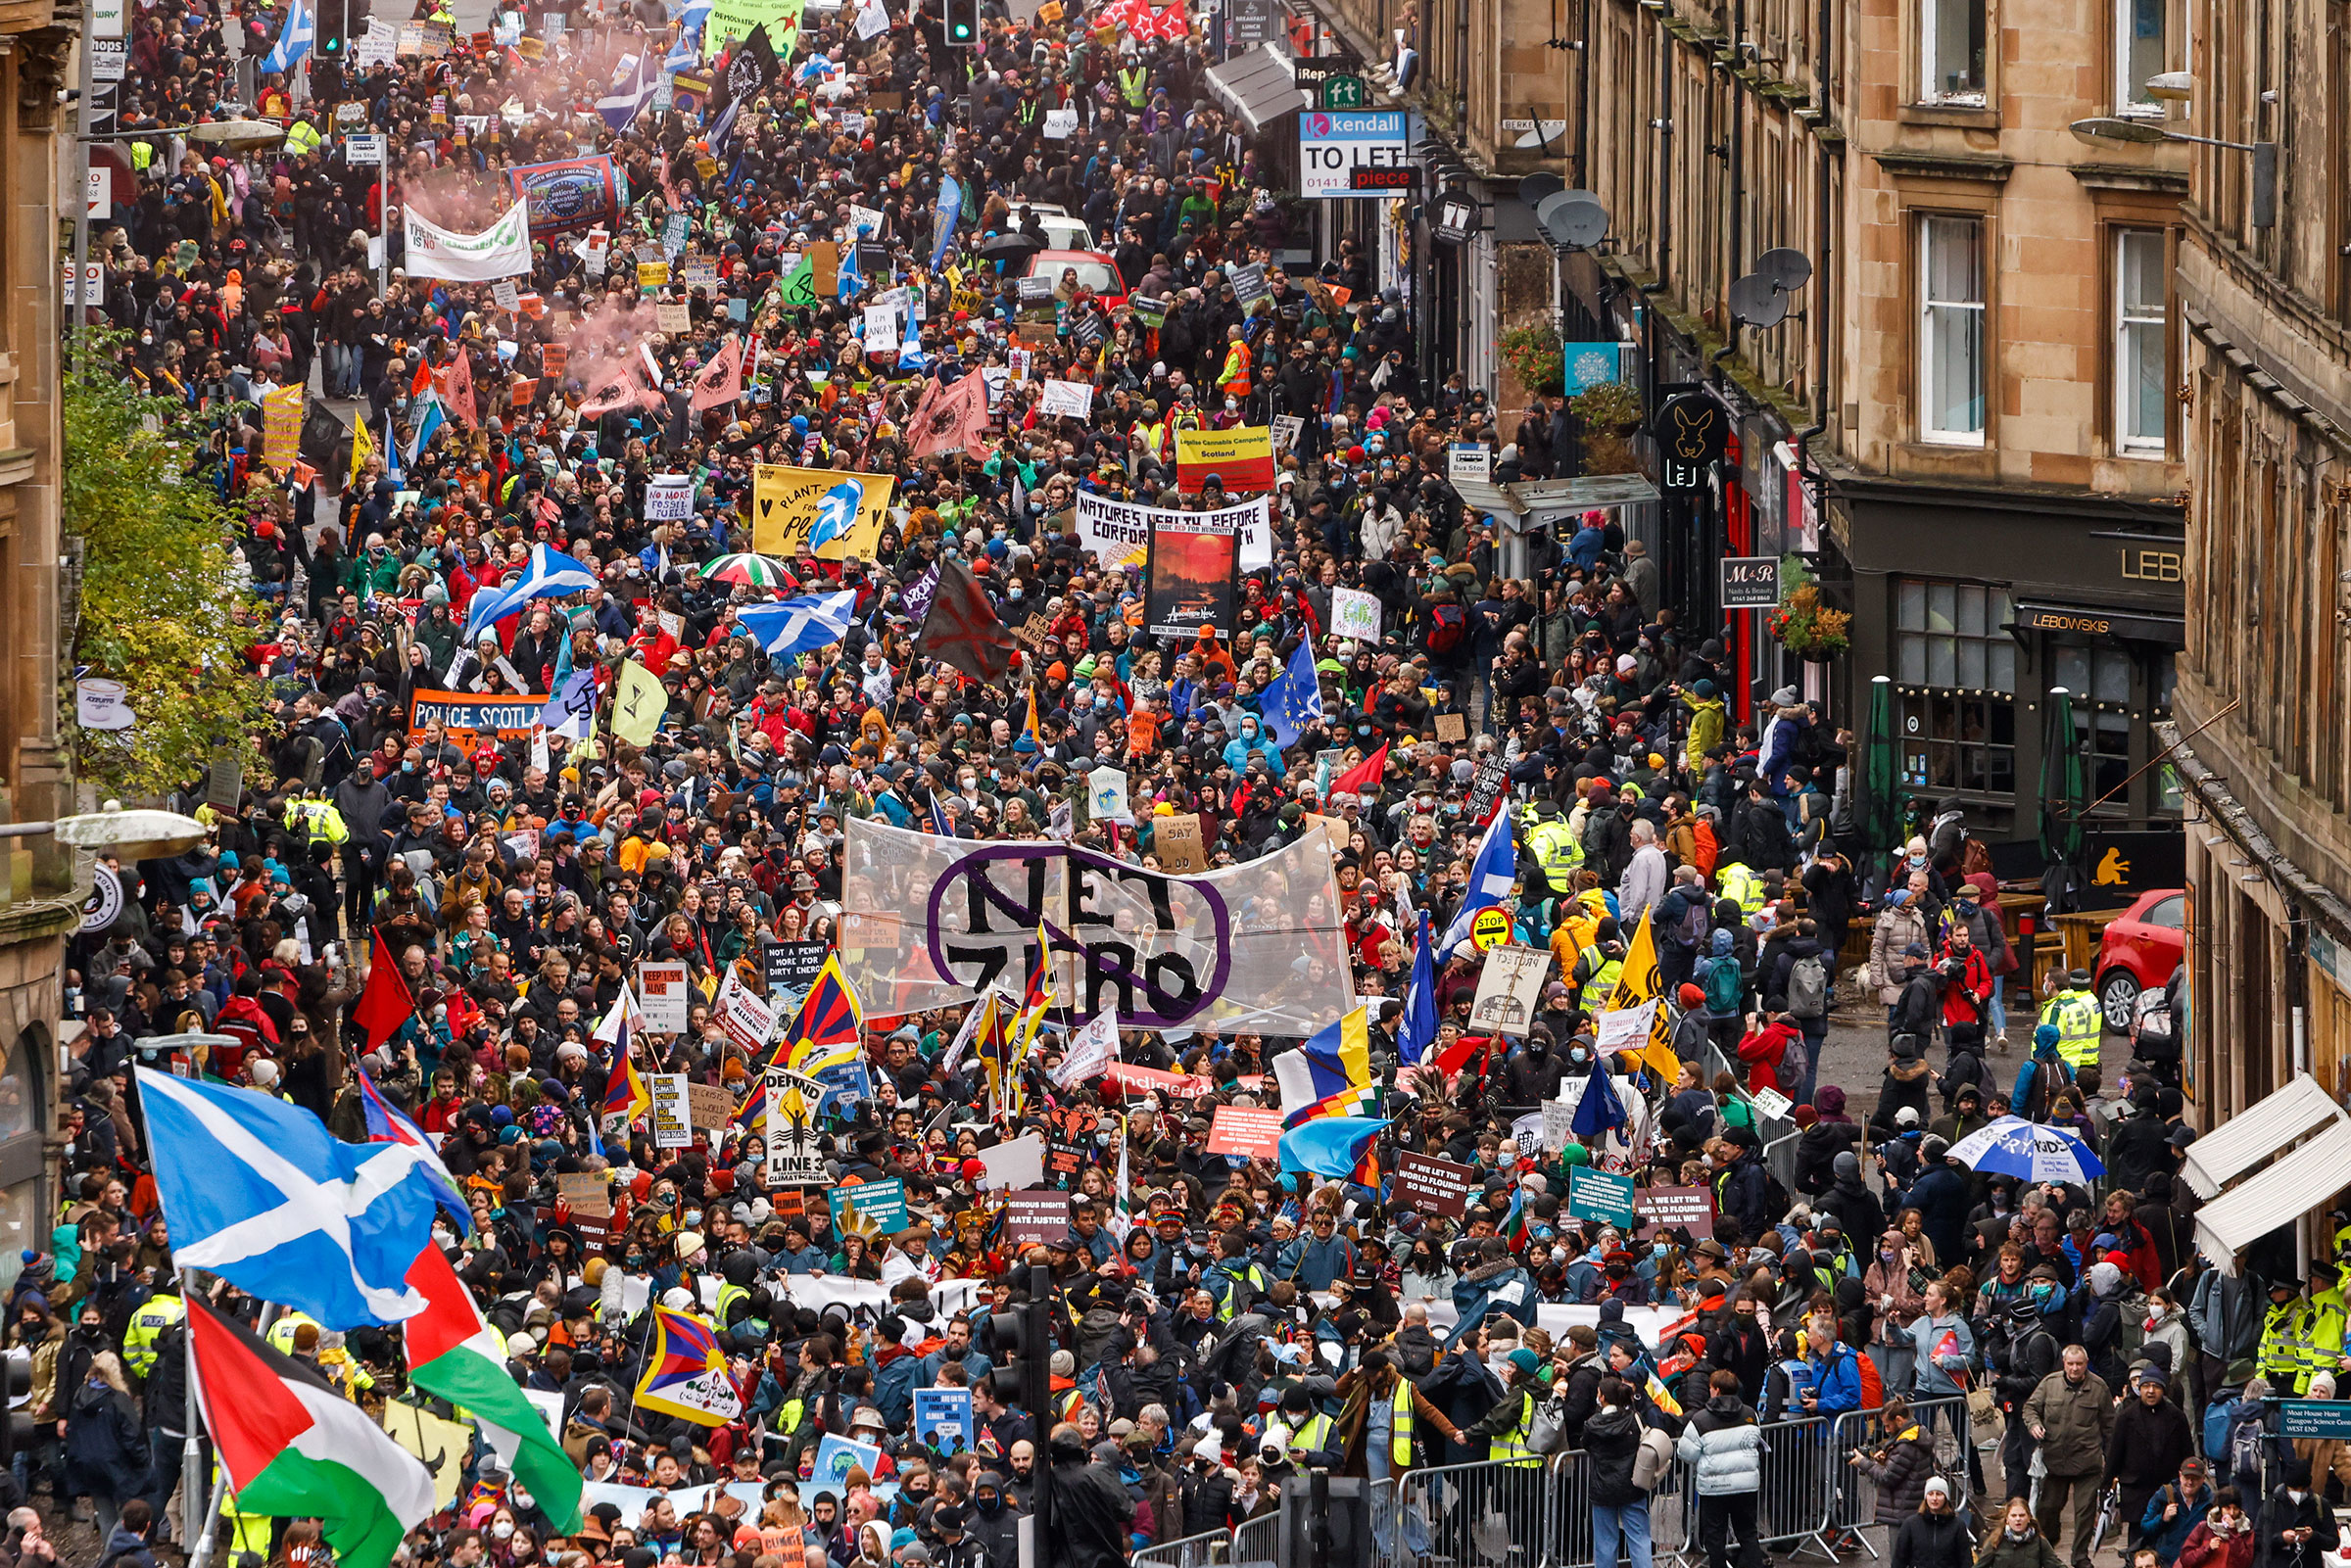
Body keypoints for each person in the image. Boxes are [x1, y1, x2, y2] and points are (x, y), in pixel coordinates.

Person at [2025, 1344, 2115, 1568]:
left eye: (2079, 1364)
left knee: (2084, 1512)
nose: (2075, 1369)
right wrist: (2034, 1425)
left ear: (2086, 1364)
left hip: (2087, 1462)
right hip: (2055, 1461)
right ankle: (2047, 1550)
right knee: (2048, 1509)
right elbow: (2030, 1408)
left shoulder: (2098, 1387)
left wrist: (2112, 1461)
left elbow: (2110, 1427)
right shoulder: (2050, 1384)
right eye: (2071, 1364)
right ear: (2064, 1364)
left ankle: (2080, 1556)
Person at [1676, 1369, 1766, 1568]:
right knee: (1748, 1533)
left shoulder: (1700, 1420)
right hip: (1746, 1484)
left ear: (1716, 1390)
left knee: (1715, 1536)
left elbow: (1686, 1453)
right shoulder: (1750, 1414)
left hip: (1715, 1485)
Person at [1586, 1376, 1654, 1568]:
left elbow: (1587, 1444)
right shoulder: (1634, 1418)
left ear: (1602, 1397)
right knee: (1639, 1538)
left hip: (1603, 1486)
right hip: (1632, 1484)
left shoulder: (1593, 1424)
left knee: (1605, 1541)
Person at [1892, 1476, 1975, 1568]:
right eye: (1930, 1494)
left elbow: (1965, 1560)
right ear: (1926, 1497)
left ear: (1945, 1498)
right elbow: (1899, 1559)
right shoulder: (1911, 1524)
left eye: (1939, 1494)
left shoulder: (1957, 1526)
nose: (1934, 1498)